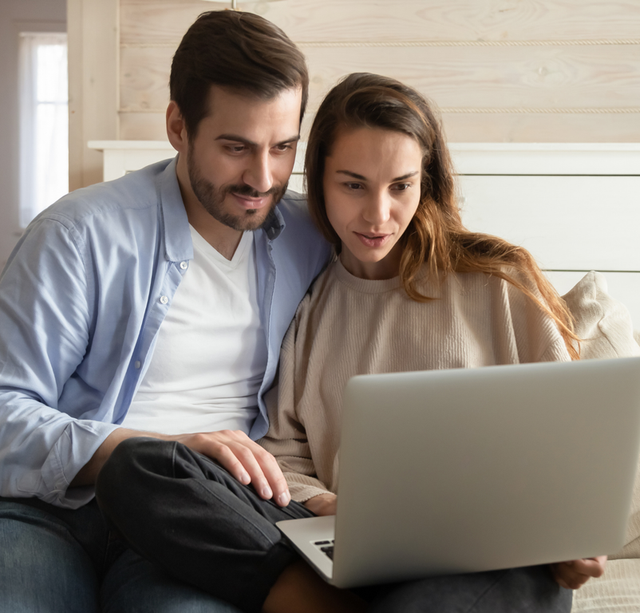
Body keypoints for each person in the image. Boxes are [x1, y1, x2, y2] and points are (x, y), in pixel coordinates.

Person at [96, 73, 609, 612]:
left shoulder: (499, 284)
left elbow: (572, 447)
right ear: (318, 180)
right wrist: (331, 507)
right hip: (343, 539)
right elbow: (283, 456)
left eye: (400, 186)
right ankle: (314, 597)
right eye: (353, 184)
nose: (377, 215)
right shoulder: (309, 298)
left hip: (489, 556)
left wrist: (575, 535)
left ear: (426, 182)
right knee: (139, 468)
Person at [0, 10, 331, 613]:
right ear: (178, 126)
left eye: (282, 148)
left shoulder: (311, 234)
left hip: (201, 519)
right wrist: (159, 449)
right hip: (51, 511)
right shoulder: (80, 234)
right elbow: (3, 411)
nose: (263, 177)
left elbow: (413, 253)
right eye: (236, 148)